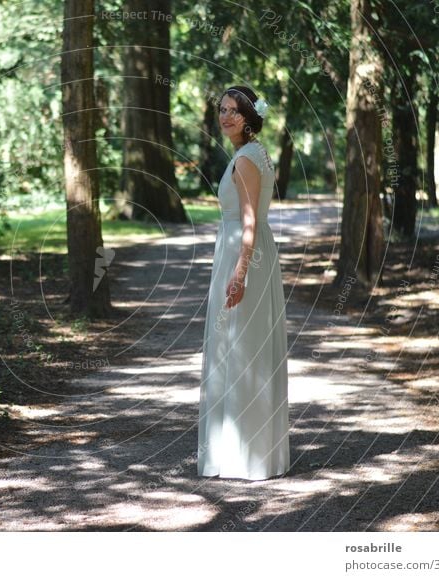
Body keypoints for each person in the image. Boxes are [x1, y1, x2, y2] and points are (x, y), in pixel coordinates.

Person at [197, 85, 290, 480]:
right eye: (223, 109)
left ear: (250, 116)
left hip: (244, 252)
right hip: (246, 250)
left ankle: (243, 454)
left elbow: (250, 220)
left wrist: (240, 270)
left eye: (235, 111)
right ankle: (245, 450)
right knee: (243, 344)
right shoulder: (252, 153)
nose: (226, 117)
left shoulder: (247, 159)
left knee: (240, 347)